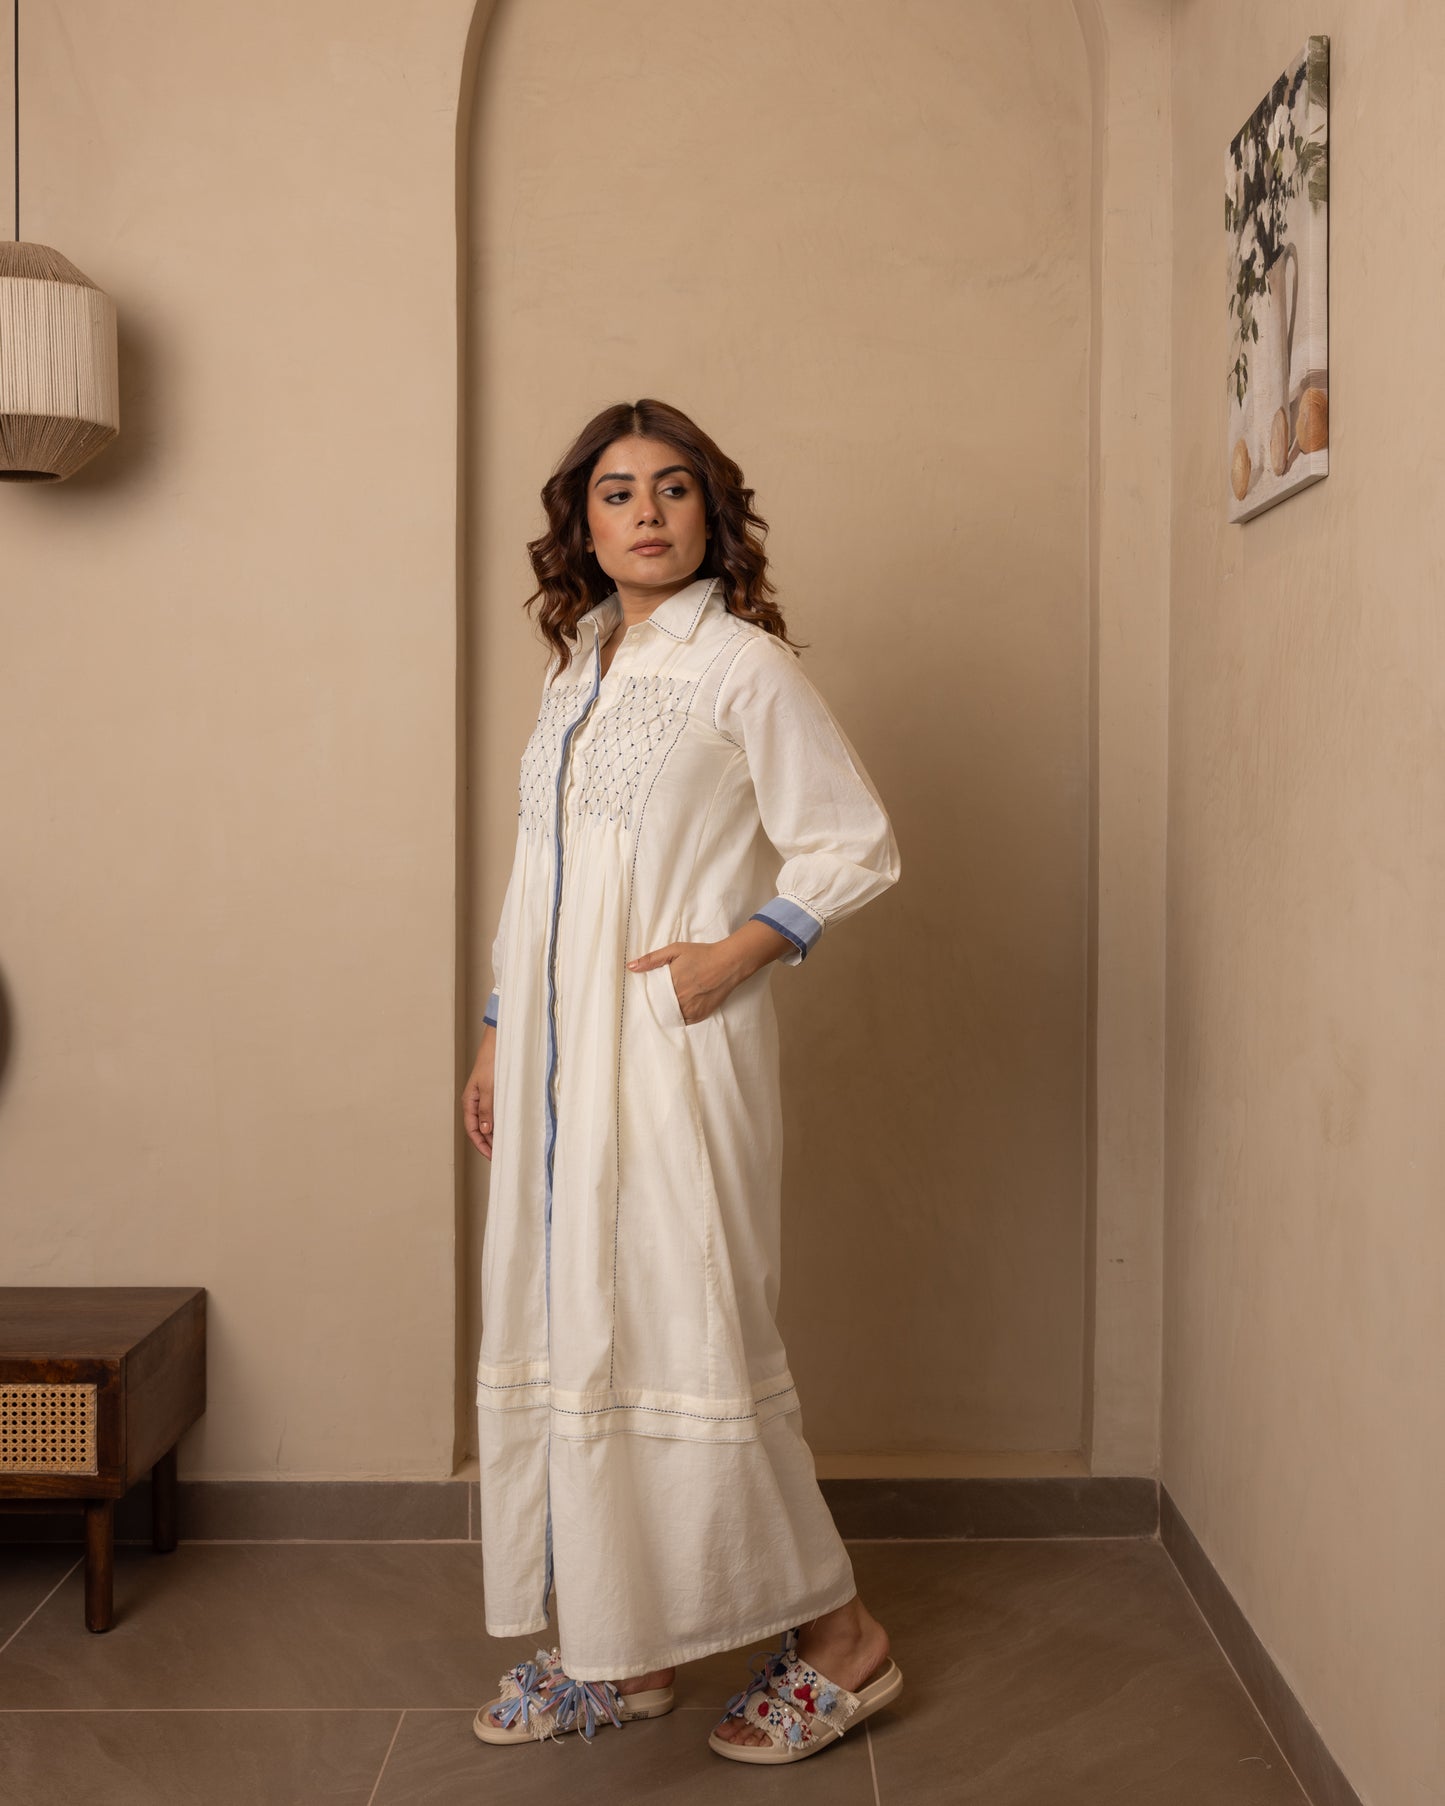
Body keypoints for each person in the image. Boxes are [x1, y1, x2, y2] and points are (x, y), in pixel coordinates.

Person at [462, 398, 904, 1763]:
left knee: (683, 1322)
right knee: (586, 1324)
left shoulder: (742, 666)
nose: (645, 512)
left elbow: (853, 842)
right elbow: (539, 872)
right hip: (556, 1067)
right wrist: (498, 1029)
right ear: (582, 525)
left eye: (672, 487)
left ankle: (846, 1642)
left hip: (669, 1051)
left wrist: (737, 953)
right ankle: (625, 1643)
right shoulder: (579, 662)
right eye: (616, 492)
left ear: (711, 511)